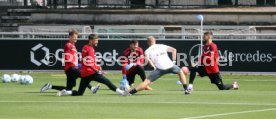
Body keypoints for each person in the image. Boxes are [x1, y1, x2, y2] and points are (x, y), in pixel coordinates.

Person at [57, 34, 126, 96]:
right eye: (96, 40)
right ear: (90, 41)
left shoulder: (85, 47)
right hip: (90, 72)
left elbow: (89, 61)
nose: (97, 42)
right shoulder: (90, 49)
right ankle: (122, 92)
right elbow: (89, 63)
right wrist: (97, 71)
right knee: (106, 81)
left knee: (80, 93)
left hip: (85, 74)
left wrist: (98, 66)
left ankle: (66, 92)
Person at [125, 36, 190, 96]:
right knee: (180, 72)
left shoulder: (147, 50)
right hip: (171, 66)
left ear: (148, 42)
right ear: (155, 41)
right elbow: (174, 50)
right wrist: (174, 61)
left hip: (159, 69)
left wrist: (153, 66)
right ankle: (186, 89)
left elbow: (147, 59)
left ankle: (131, 92)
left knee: (147, 82)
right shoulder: (162, 46)